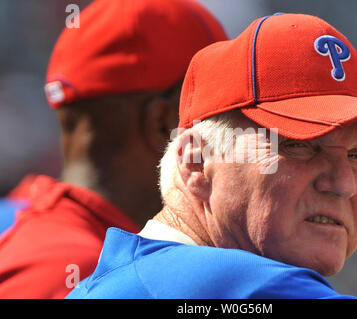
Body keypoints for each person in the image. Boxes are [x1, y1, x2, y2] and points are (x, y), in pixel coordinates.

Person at [66, 13, 357, 299]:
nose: (342, 184)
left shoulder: (108, 282)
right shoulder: (248, 286)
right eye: (300, 145)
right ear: (197, 161)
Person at [0, 0, 227, 298]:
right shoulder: (86, 273)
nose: (235, 133)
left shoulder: (70, 245)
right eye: (221, 113)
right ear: (163, 123)